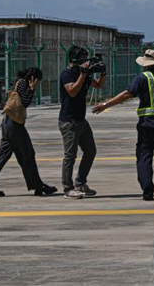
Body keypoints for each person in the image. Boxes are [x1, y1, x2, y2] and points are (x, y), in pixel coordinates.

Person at [93, 49, 154, 200]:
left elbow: (127, 94)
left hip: (147, 125)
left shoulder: (143, 78)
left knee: (144, 156)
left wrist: (105, 105)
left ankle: (148, 190)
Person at [0, 67, 58, 197]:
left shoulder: (16, 82)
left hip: (7, 122)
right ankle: (38, 186)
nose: (38, 84)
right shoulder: (23, 83)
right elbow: (24, 102)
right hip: (14, 124)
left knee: (4, 154)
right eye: (37, 81)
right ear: (32, 78)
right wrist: (32, 89)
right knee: (28, 153)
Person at [59, 46, 106, 199]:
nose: (85, 62)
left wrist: (103, 73)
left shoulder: (84, 75)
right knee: (70, 156)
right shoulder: (67, 74)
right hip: (69, 121)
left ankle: (80, 182)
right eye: (83, 59)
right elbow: (72, 91)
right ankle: (68, 188)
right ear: (74, 60)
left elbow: (98, 85)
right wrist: (82, 75)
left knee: (90, 151)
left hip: (81, 120)